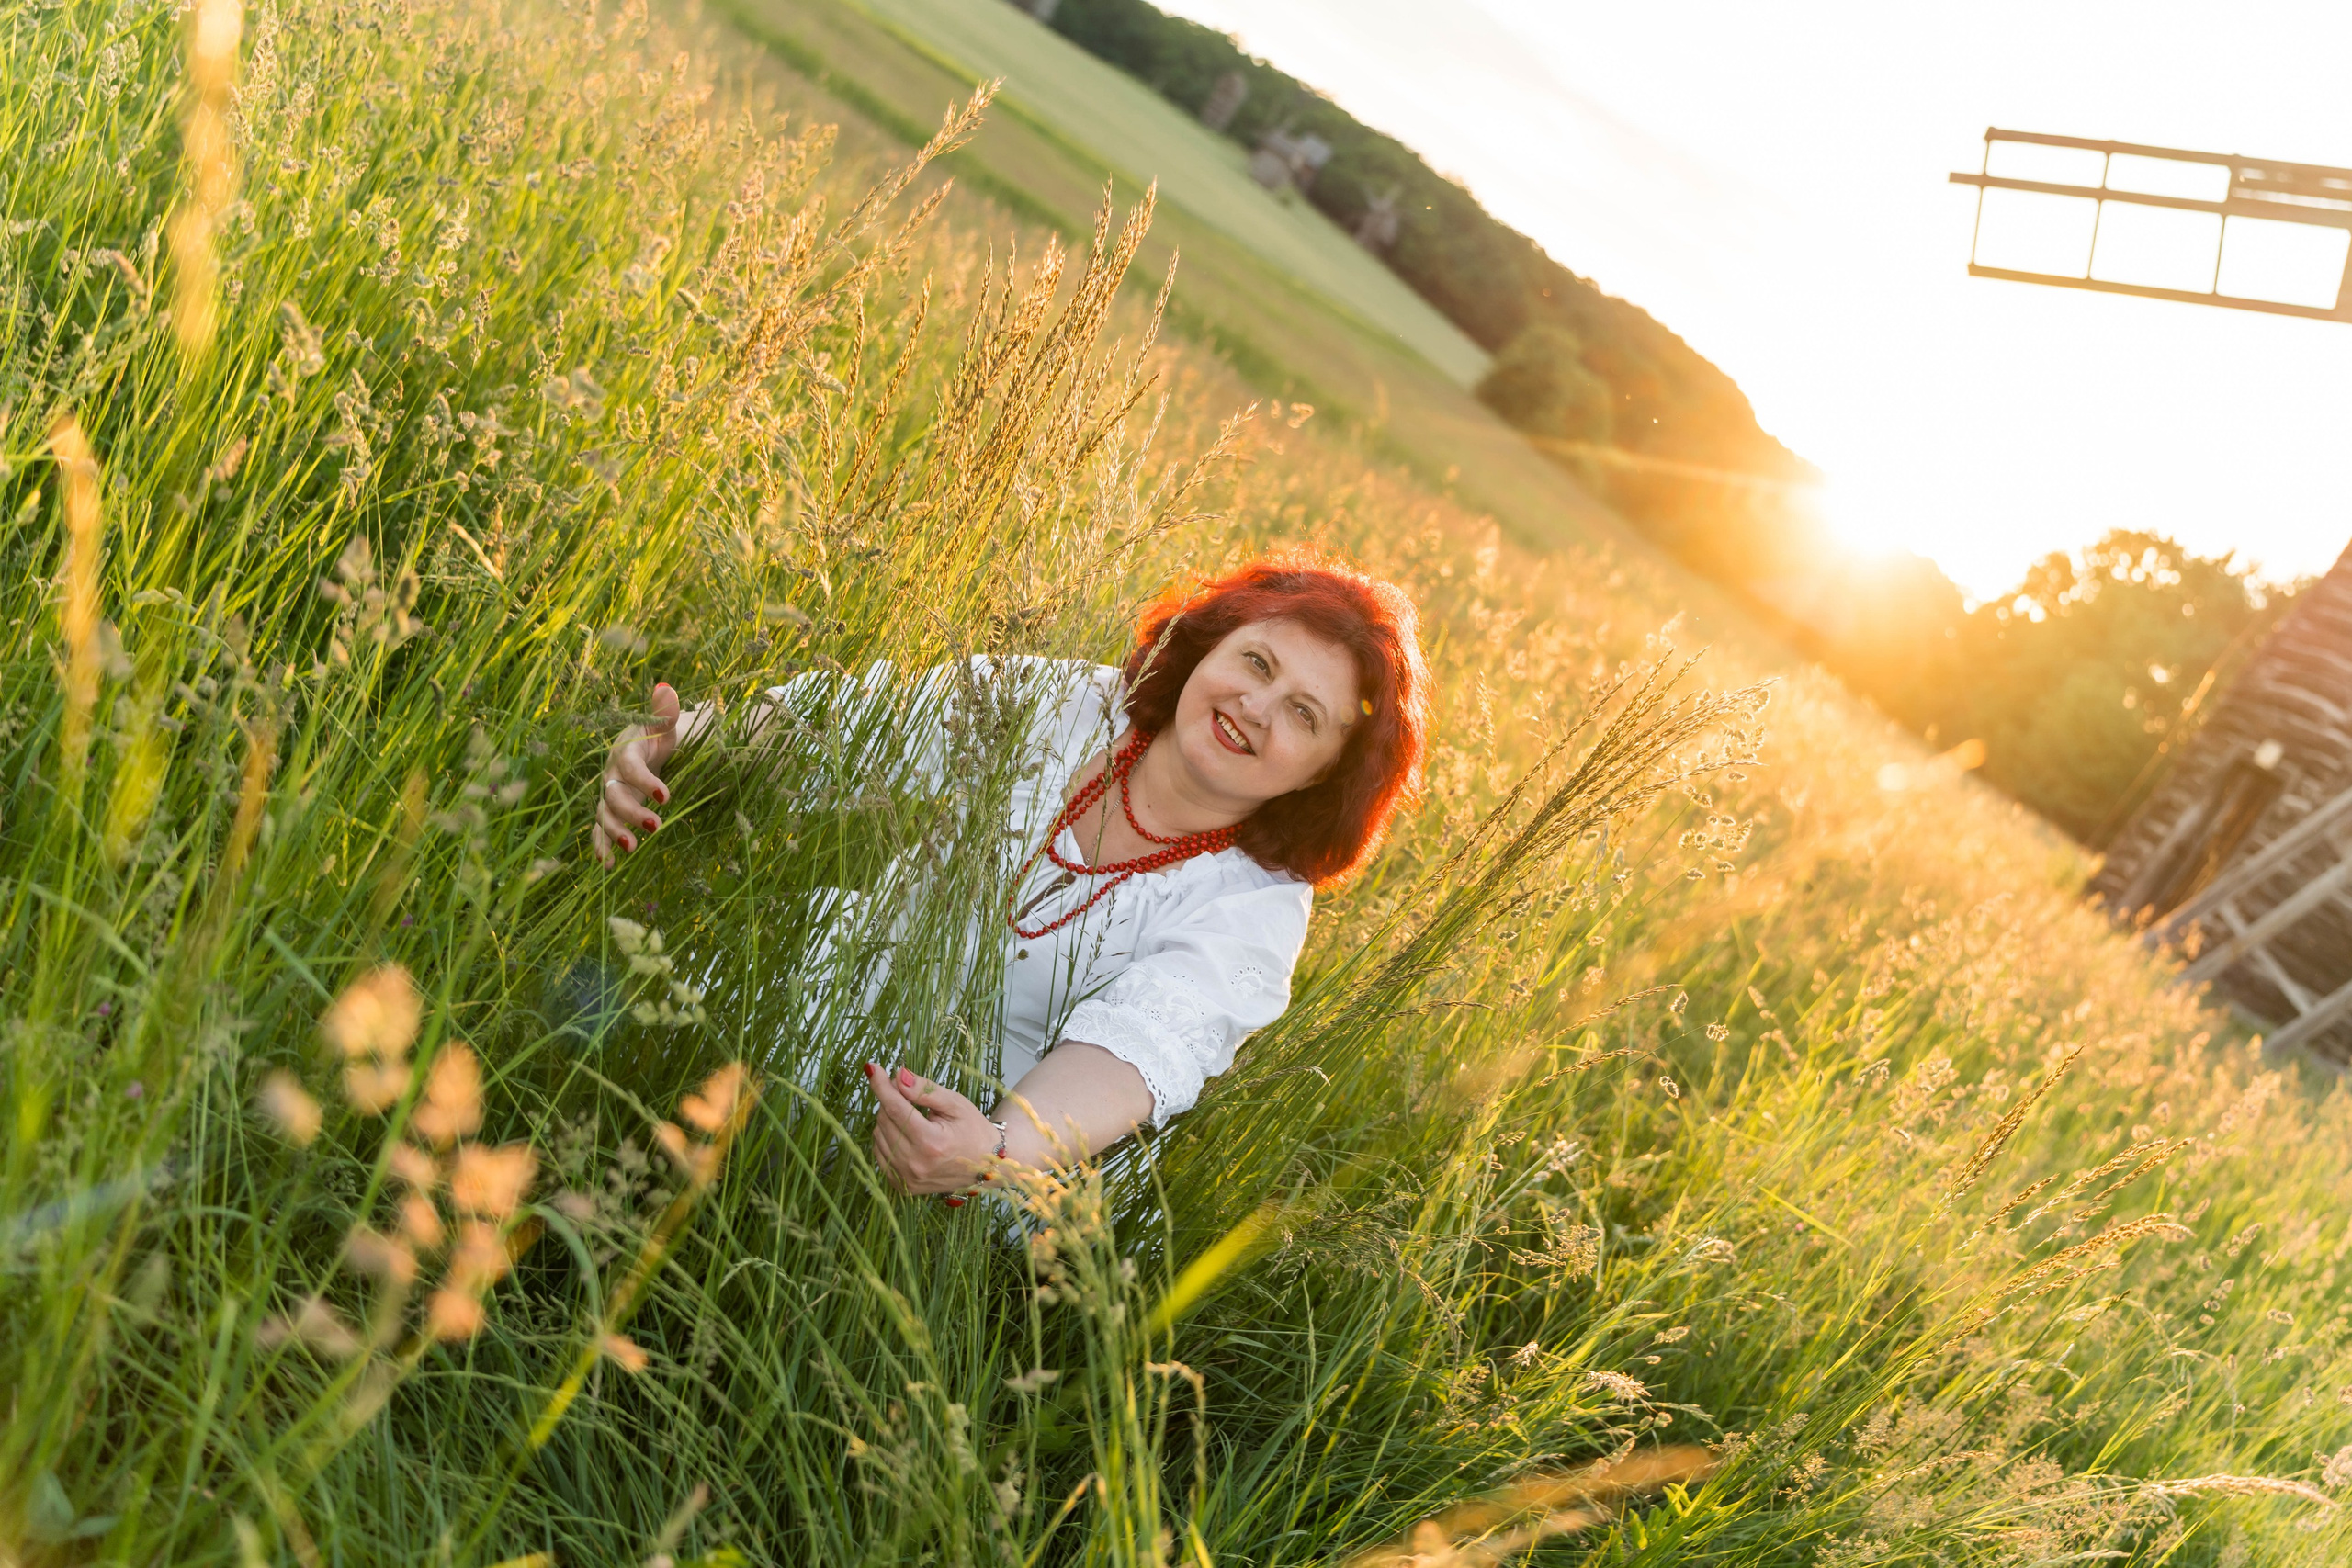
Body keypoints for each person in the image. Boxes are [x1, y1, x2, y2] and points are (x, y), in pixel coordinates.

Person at [590, 556, 1429, 1200]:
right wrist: (678, 745)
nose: (1257, 705)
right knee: (592, 1034)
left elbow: (1128, 1057)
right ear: (1210, 647)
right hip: (818, 989)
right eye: (1257, 663)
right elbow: (849, 726)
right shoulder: (1071, 702)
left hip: (980, 1140)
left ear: (1324, 776)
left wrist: (995, 1149)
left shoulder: (1254, 910)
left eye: (1304, 714)